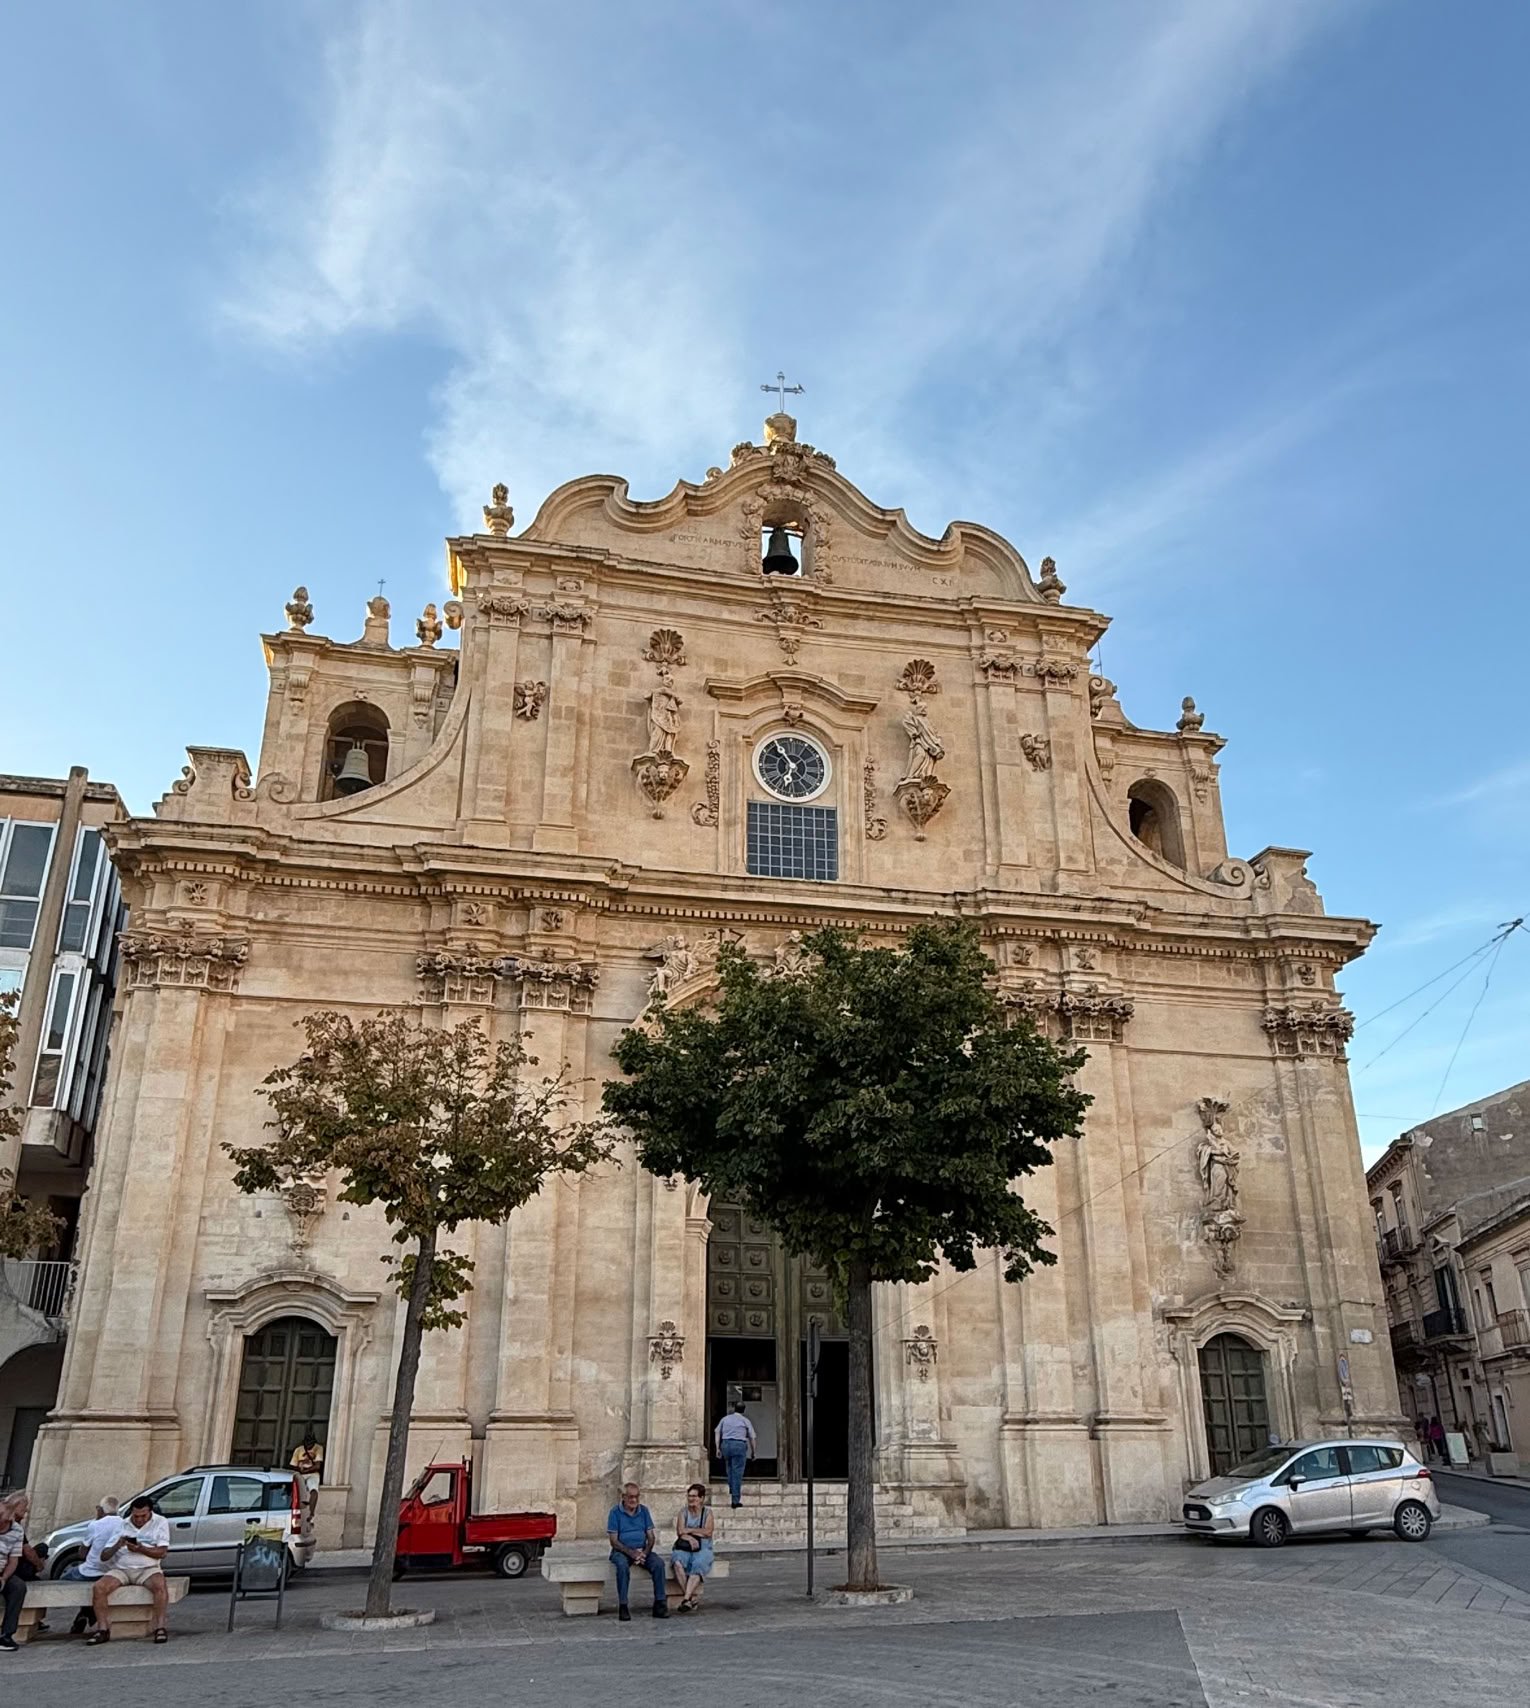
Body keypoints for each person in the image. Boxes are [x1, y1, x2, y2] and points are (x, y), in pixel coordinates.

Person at [88, 1494, 171, 1645]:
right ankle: (103, 1628)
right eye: (136, 1516)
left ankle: (160, 1627)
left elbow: (162, 1552)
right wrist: (117, 1545)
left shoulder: (160, 1522)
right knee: (99, 1588)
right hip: (122, 1568)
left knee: (160, 1586)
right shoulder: (122, 1525)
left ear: (150, 1512)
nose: (139, 1520)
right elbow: (104, 1556)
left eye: (143, 1516)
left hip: (148, 1568)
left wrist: (141, 1549)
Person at [606, 1482, 667, 1622]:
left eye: (636, 1497)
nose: (634, 1500)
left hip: (641, 1550)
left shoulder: (644, 1511)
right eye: (630, 1497)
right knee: (622, 1566)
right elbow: (614, 1541)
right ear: (623, 1497)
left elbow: (651, 1537)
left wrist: (644, 1553)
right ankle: (623, 1605)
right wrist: (632, 1553)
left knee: (658, 1564)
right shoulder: (615, 1512)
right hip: (622, 1551)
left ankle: (660, 1603)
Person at [61, 1497, 120, 1635]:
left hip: (90, 1571)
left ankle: (85, 1611)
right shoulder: (124, 1523)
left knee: (64, 1577)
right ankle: (87, 1612)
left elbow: (82, 1553)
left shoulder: (95, 1525)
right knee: (94, 1587)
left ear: (100, 1510)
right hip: (111, 1573)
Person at [668, 1482, 715, 1612]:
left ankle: (686, 1598)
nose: (691, 1499)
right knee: (677, 1561)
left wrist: (689, 1531)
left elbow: (708, 1532)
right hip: (685, 1546)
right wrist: (690, 1537)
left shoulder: (707, 1513)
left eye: (694, 1496)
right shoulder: (683, 1512)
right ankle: (689, 1599)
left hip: (703, 1547)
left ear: (701, 1498)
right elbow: (680, 1531)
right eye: (689, 1496)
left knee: (698, 1564)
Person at [714, 1400, 756, 1508]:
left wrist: (717, 1448)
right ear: (743, 1410)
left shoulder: (725, 1419)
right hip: (739, 1445)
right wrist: (753, 1452)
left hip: (726, 1444)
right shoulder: (745, 1421)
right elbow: (752, 1437)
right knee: (737, 1472)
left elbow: (717, 1431)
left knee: (729, 1469)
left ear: (734, 1409)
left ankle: (732, 1488)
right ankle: (735, 1500)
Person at [0, 1491, 28, 1654]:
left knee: (18, 1587)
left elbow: (13, 1560)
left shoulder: (17, 1530)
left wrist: (4, 1578)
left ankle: (6, 1635)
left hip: (3, 1570)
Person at [290, 1431, 324, 1520]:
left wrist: (305, 1471)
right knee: (295, 1490)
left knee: (314, 1490)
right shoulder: (298, 1450)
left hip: (312, 1473)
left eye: (311, 1444)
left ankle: (311, 1512)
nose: (309, 1446)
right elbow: (293, 1465)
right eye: (308, 1444)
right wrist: (300, 1471)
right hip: (300, 1473)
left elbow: (317, 1466)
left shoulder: (318, 1448)